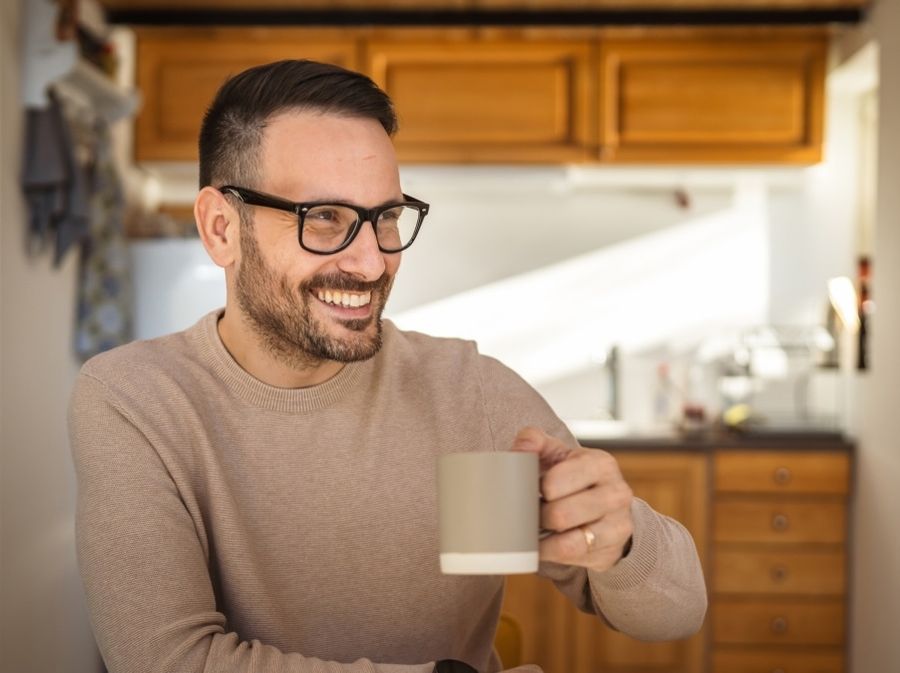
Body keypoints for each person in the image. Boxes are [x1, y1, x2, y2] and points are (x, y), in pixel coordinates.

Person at [68, 59, 706, 673]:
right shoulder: (135, 398)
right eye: (324, 218)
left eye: (386, 218)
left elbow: (676, 613)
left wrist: (621, 542)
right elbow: (168, 662)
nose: (373, 263)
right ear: (220, 228)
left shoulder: (466, 391)